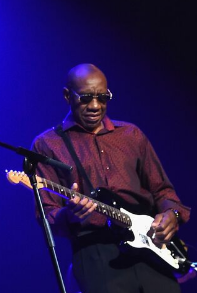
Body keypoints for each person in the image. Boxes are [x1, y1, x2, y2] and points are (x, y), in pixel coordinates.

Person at [31, 63, 191, 293]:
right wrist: (71, 215)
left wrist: (172, 215)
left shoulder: (131, 135)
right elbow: (47, 215)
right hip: (95, 252)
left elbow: (163, 191)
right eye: (86, 98)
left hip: (150, 246)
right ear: (67, 96)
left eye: (103, 97)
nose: (95, 105)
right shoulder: (47, 144)